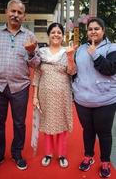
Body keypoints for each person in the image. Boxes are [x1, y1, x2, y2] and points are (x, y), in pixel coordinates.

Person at [0, 0, 40, 172]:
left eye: (19, 12)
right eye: (12, 11)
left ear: (24, 16)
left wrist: (31, 53)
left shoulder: (30, 36)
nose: (15, 15)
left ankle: (17, 154)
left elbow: (37, 64)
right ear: (6, 12)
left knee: (19, 123)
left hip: (19, 87)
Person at [72, 17, 116, 178]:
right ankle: (88, 156)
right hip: (82, 99)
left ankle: (104, 161)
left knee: (104, 133)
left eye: (97, 28)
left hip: (105, 100)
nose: (93, 31)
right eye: (90, 29)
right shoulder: (80, 49)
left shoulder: (112, 48)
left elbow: (110, 69)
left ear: (103, 31)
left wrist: (95, 55)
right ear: (87, 31)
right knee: (88, 131)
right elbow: (75, 71)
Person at [32, 22, 75, 168]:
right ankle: (48, 153)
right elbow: (37, 74)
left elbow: (72, 72)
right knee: (48, 123)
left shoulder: (67, 51)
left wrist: (70, 57)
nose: (56, 34)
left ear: (63, 36)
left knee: (62, 124)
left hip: (63, 94)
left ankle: (62, 154)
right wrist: (34, 96)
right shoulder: (41, 52)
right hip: (45, 94)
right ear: (49, 35)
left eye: (59, 32)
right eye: (53, 32)